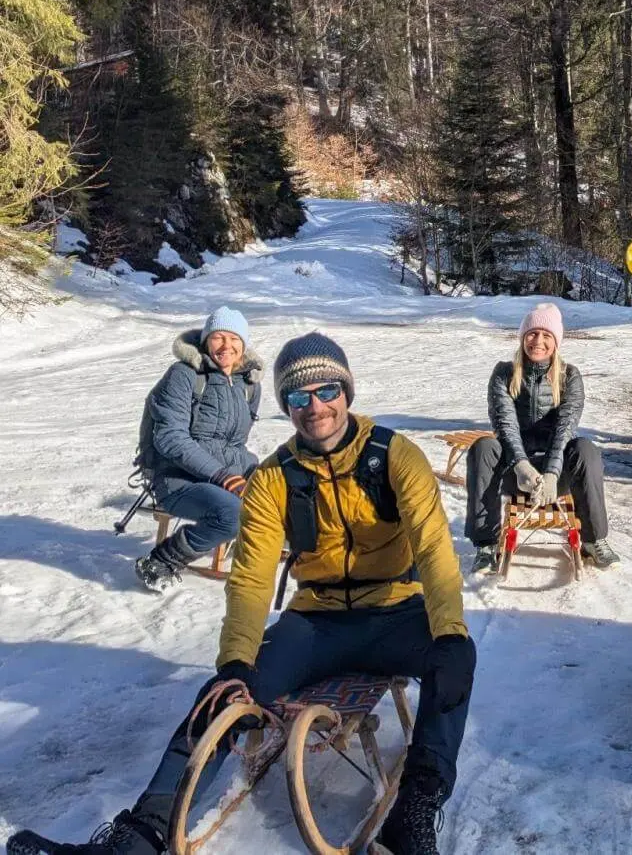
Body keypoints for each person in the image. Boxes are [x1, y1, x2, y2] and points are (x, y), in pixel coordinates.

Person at [7, 332, 476, 855]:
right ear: (286, 406)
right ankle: (142, 834)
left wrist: (450, 631)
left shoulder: (394, 456)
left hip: (395, 610)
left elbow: (433, 548)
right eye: (298, 397)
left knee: (454, 660)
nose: (315, 407)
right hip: (317, 621)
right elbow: (251, 578)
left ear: (346, 392)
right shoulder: (275, 477)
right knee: (226, 692)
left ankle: (412, 814)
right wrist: (235, 664)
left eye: (326, 391)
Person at [465, 302, 618, 573]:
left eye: (547, 335)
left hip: (555, 477)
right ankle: (486, 544)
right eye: (533, 333)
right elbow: (505, 425)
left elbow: (565, 429)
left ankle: (594, 540)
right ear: (523, 337)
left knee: (585, 448)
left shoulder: (569, 375)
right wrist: (522, 466)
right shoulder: (504, 373)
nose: (538, 341)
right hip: (515, 475)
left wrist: (550, 473)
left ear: (556, 341)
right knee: (484, 446)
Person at [133, 306, 262, 591]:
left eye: (234, 339)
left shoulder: (248, 385)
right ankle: (162, 561)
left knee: (292, 486)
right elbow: (170, 438)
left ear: (243, 345)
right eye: (218, 337)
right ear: (205, 341)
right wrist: (222, 476)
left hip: (224, 476)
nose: (226, 346)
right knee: (232, 514)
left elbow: (234, 443)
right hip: (177, 479)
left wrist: (255, 472)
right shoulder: (185, 375)